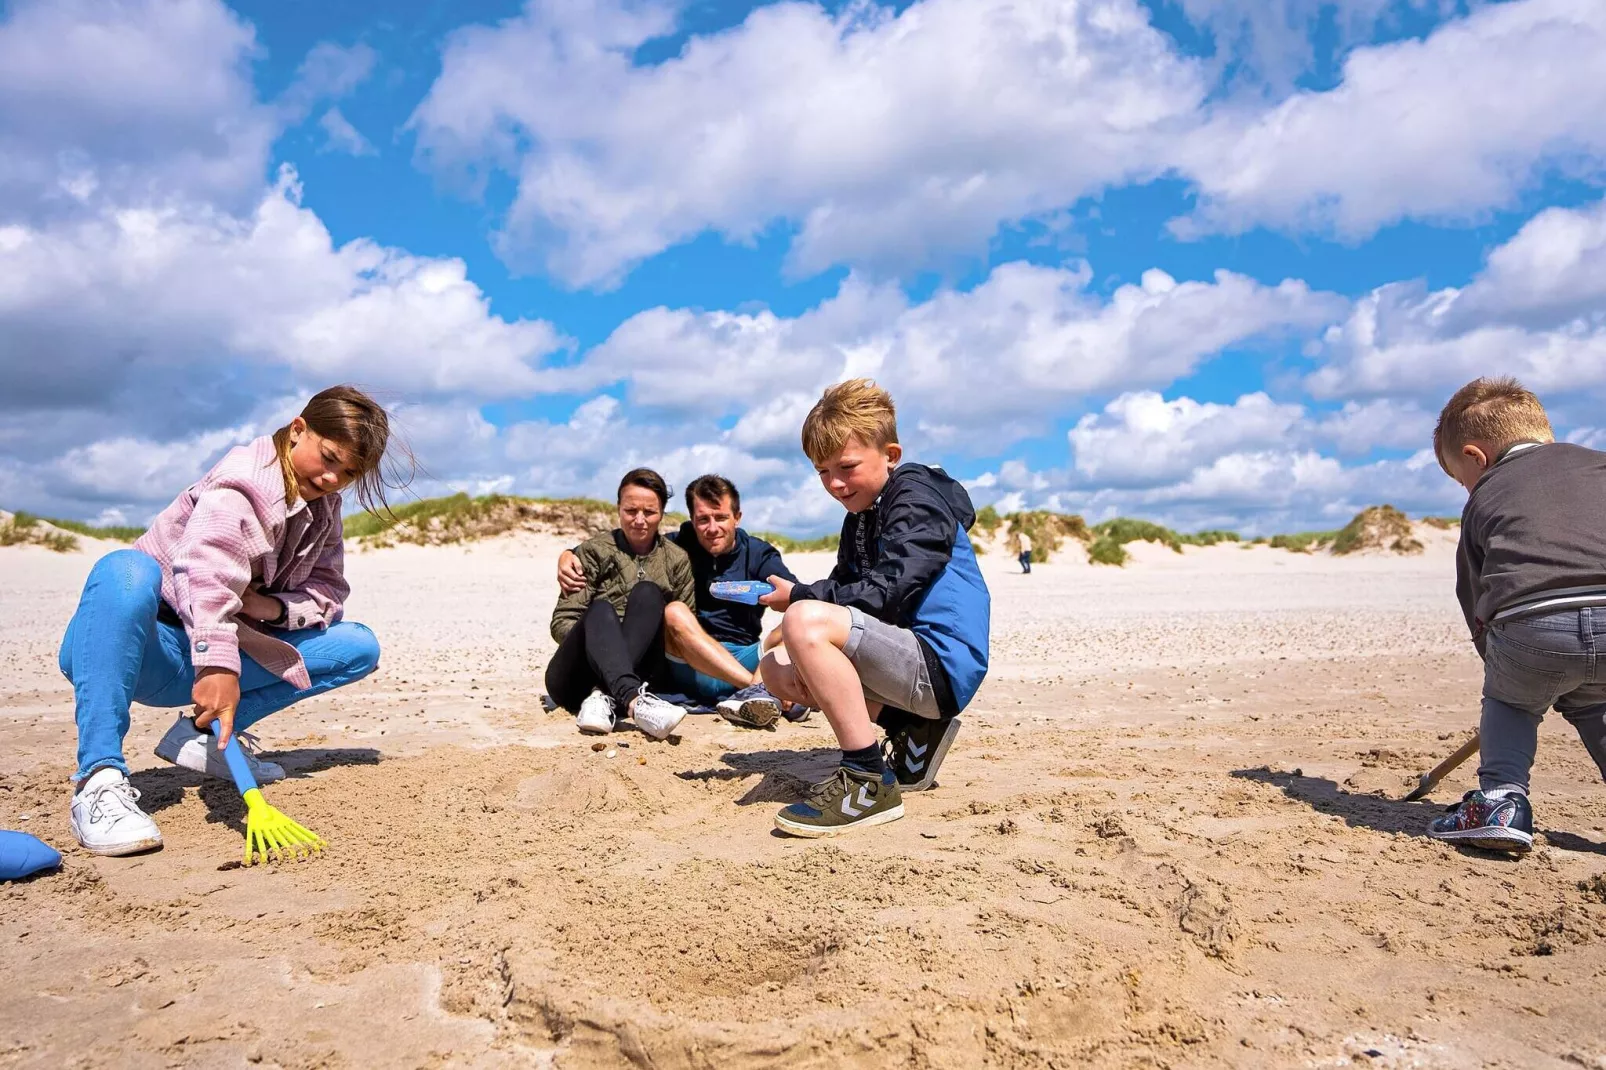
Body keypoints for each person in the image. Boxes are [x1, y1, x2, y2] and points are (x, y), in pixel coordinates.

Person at [62, 386, 400, 857]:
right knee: (125, 568)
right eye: (328, 458)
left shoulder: (324, 507)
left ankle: (205, 739)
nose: (331, 479)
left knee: (357, 646)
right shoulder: (244, 482)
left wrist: (270, 608)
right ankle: (98, 781)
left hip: (209, 657)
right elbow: (206, 569)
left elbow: (329, 592)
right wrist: (217, 665)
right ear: (298, 429)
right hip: (135, 649)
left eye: (348, 473)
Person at [757, 379, 990, 836]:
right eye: (823, 472)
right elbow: (849, 587)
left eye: (846, 466)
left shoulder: (917, 498)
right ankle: (912, 731)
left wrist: (800, 601)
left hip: (940, 664)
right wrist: (798, 593)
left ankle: (866, 779)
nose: (836, 484)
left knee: (803, 621)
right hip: (907, 661)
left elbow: (890, 590)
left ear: (891, 455)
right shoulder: (861, 517)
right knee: (776, 667)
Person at [1426, 376, 1606, 853]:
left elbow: (1476, 596)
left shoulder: (1487, 494)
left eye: (1460, 477)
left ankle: (1502, 800)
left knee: (1510, 703)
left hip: (1533, 622)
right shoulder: (1600, 466)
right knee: (1597, 703)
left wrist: (1503, 669)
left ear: (1475, 457)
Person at [556, 474, 802, 728]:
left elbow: (794, 594)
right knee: (674, 611)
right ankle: (756, 688)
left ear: (737, 517)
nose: (712, 528)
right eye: (702, 519)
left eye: (721, 517)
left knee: (798, 618)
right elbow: (637, 545)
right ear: (692, 521)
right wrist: (568, 555)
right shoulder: (678, 546)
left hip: (746, 654)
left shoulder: (758, 553)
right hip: (692, 658)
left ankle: (755, 689)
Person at [544, 468, 698, 740]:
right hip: (577, 679)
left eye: (649, 512)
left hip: (644, 674)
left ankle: (608, 695)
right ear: (618, 508)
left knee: (649, 593)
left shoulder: (676, 560)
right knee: (601, 610)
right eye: (631, 511)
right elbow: (562, 622)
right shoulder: (593, 552)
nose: (640, 520)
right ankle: (631, 701)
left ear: (662, 512)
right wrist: (602, 646)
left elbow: (684, 629)